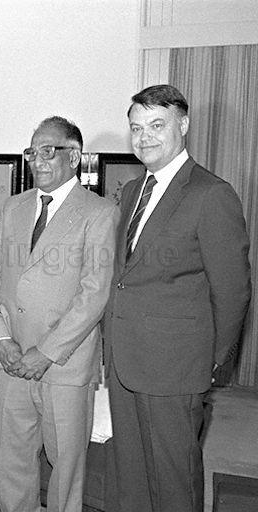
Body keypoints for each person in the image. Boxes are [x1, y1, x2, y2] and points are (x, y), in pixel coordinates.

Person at [104, 84, 251, 512]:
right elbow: (124, 278)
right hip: (125, 362)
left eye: (156, 125)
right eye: (136, 128)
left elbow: (233, 291)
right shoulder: (132, 192)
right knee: (129, 476)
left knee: (173, 483)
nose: (144, 137)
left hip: (176, 368)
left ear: (183, 125)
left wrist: (209, 362)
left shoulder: (211, 194)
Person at [0, 117, 118, 512]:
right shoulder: (13, 206)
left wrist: (46, 352)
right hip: (11, 360)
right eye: (32, 152)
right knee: (11, 462)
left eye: (48, 150)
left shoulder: (100, 212)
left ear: (74, 156)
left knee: (66, 468)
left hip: (63, 364)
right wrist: (0, 338)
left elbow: (95, 293)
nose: (37, 160)